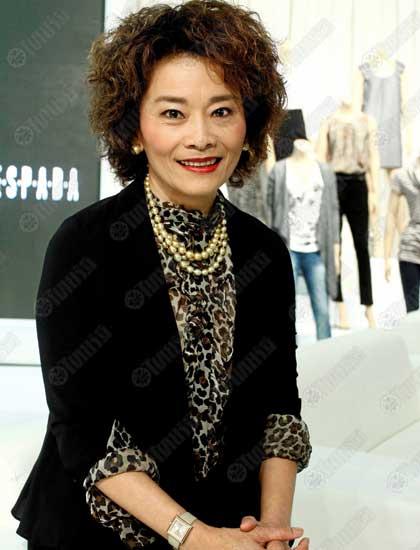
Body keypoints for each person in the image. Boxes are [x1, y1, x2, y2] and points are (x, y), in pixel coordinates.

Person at [11, 1, 312, 549]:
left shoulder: (264, 252)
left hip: (228, 530)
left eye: (222, 111)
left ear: (248, 124)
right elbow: (84, 432)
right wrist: (193, 537)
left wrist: (273, 527)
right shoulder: (84, 245)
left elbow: (279, 409)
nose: (201, 136)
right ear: (134, 129)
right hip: (94, 532)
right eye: (173, 113)